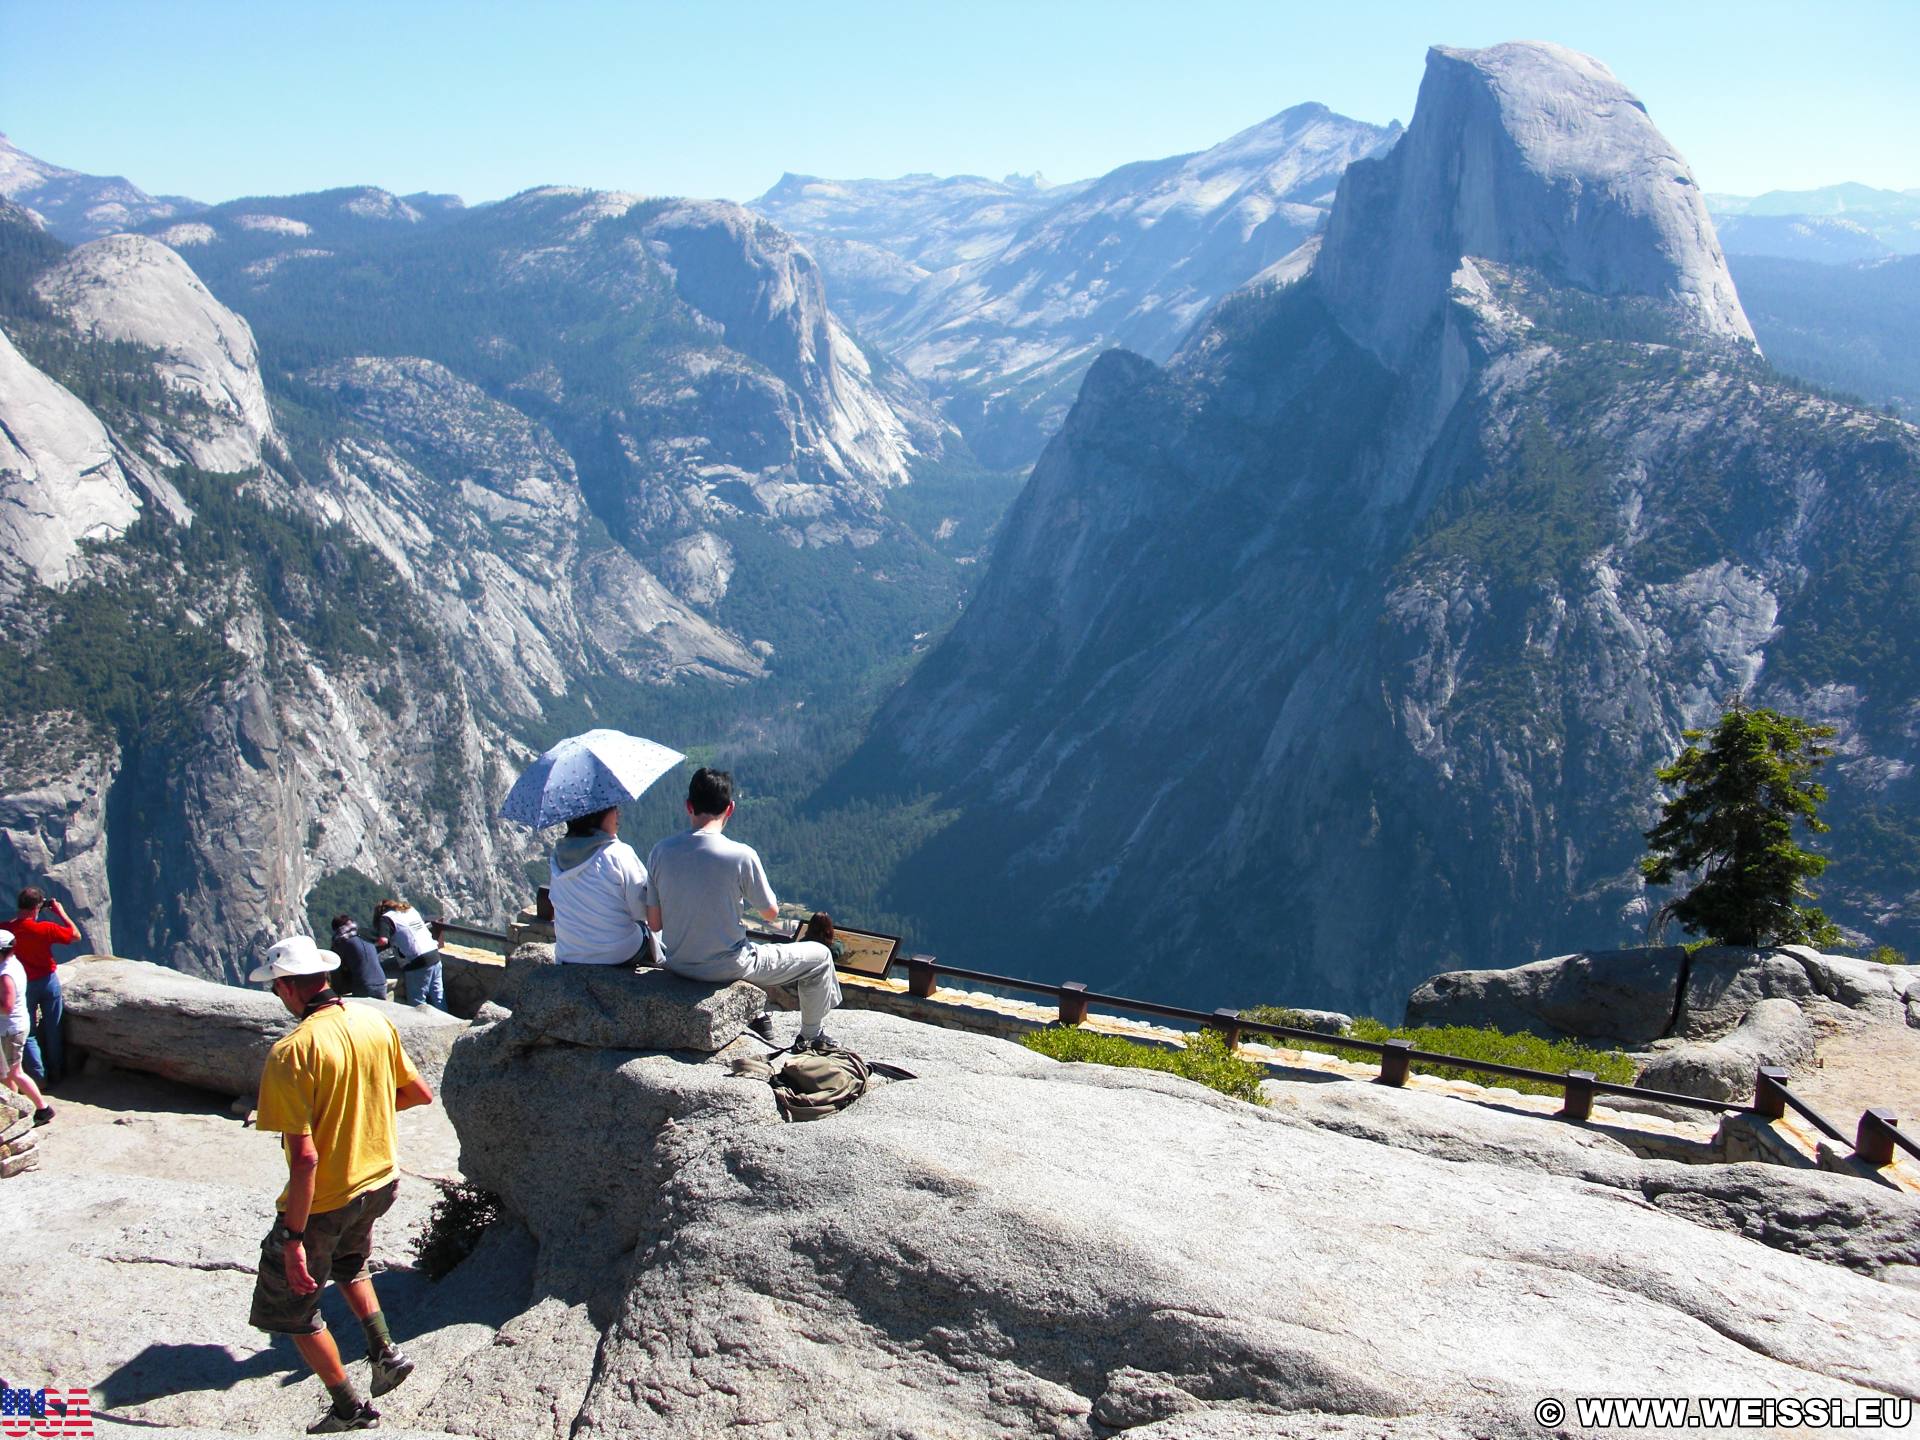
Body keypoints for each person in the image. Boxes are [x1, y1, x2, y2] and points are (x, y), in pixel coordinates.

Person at [248, 933, 434, 1433]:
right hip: (378, 1183)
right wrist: (357, 1113)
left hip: (326, 1200)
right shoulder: (375, 1021)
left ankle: (350, 1408)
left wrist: (291, 1239)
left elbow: (305, 1159)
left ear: (287, 988)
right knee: (351, 1264)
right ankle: (384, 1351)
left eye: (276, 989)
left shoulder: (292, 1052)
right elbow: (418, 1093)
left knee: (293, 1309)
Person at [646, 768, 841, 1050]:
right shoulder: (741, 855)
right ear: (730, 808)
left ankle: (759, 1016)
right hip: (730, 964)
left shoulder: (660, 851)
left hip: (678, 962)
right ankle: (811, 1035)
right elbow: (770, 913)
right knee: (821, 955)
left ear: (689, 805)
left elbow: (654, 923)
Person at [549, 803, 654, 967]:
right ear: (596, 814)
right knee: (650, 930)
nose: (618, 812)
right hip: (618, 954)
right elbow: (644, 910)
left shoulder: (558, 855)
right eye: (612, 808)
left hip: (569, 954)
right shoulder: (618, 853)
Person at [10, 886, 78, 1088]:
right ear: (38, 907)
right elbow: (75, 936)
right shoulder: (45, 928)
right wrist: (60, 912)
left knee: (29, 1031)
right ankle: (56, 1072)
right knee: (53, 1027)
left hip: (23, 984)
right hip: (48, 982)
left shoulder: (7, 930)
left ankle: (39, 1077)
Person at [1, 930, 53, 1127]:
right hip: (15, 1026)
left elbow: (6, 1006)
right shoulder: (14, 963)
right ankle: (12, 1109)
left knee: (14, 1073)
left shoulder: (5, 974)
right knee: (7, 1073)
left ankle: (43, 1108)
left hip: (10, 1029)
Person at [373, 898, 444, 1010]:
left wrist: (367, 944)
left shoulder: (386, 918)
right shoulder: (409, 910)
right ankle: (445, 1021)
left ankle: (424, 1026)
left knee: (417, 1002)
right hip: (434, 953)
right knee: (438, 996)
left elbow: (383, 940)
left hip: (417, 961)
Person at [327, 916, 388, 1001]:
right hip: (382, 982)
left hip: (364, 986)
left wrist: (336, 992)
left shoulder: (340, 942)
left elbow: (336, 970)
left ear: (336, 929)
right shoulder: (365, 934)